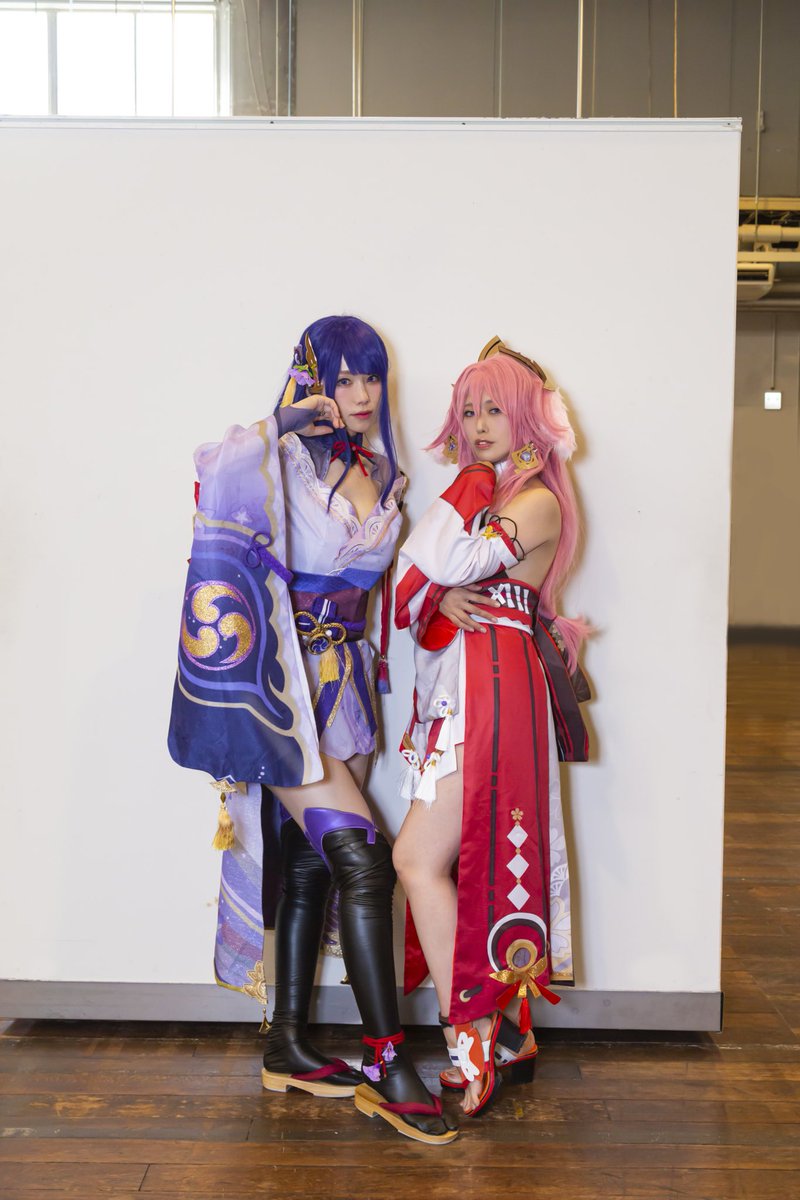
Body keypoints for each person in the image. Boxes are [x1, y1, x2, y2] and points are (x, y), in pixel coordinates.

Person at [168, 315, 457, 1146]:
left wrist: (458, 596)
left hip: (350, 696)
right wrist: (286, 419)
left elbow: (401, 581)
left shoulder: (382, 474)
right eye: (343, 377)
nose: (360, 394)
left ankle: (286, 1046)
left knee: (309, 869)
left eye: (371, 377)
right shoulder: (277, 460)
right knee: (365, 862)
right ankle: (387, 1065)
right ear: (311, 379)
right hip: (287, 700)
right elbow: (213, 469)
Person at [392, 338, 590, 1117]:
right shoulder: (490, 497)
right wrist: (439, 598)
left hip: (497, 691)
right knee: (435, 859)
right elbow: (435, 583)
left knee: (423, 858)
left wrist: (440, 584)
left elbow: (443, 564)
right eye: (467, 411)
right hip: (467, 687)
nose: (477, 426)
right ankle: (505, 1034)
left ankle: (472, 1038)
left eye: (494, 410)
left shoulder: (533, 500)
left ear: (529, 418)